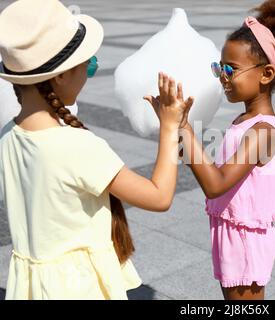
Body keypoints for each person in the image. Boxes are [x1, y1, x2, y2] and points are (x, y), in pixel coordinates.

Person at [0, 0, 193, 299]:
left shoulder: (7, 136)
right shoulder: (77, 146)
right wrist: (170, 127)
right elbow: (159, 196)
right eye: (86, 64)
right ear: (61, 76)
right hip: (80, 287)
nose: (89, 70)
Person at [175, 0, 275, 300]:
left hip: (245, 240)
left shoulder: (261, 132)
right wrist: (178, 134)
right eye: (219, 68)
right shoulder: (244, 119)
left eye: (231, 69)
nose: (223, 76)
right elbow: (216, 176)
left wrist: (184, 129)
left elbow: (215, 185)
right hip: (231, 232)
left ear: (265, 74)